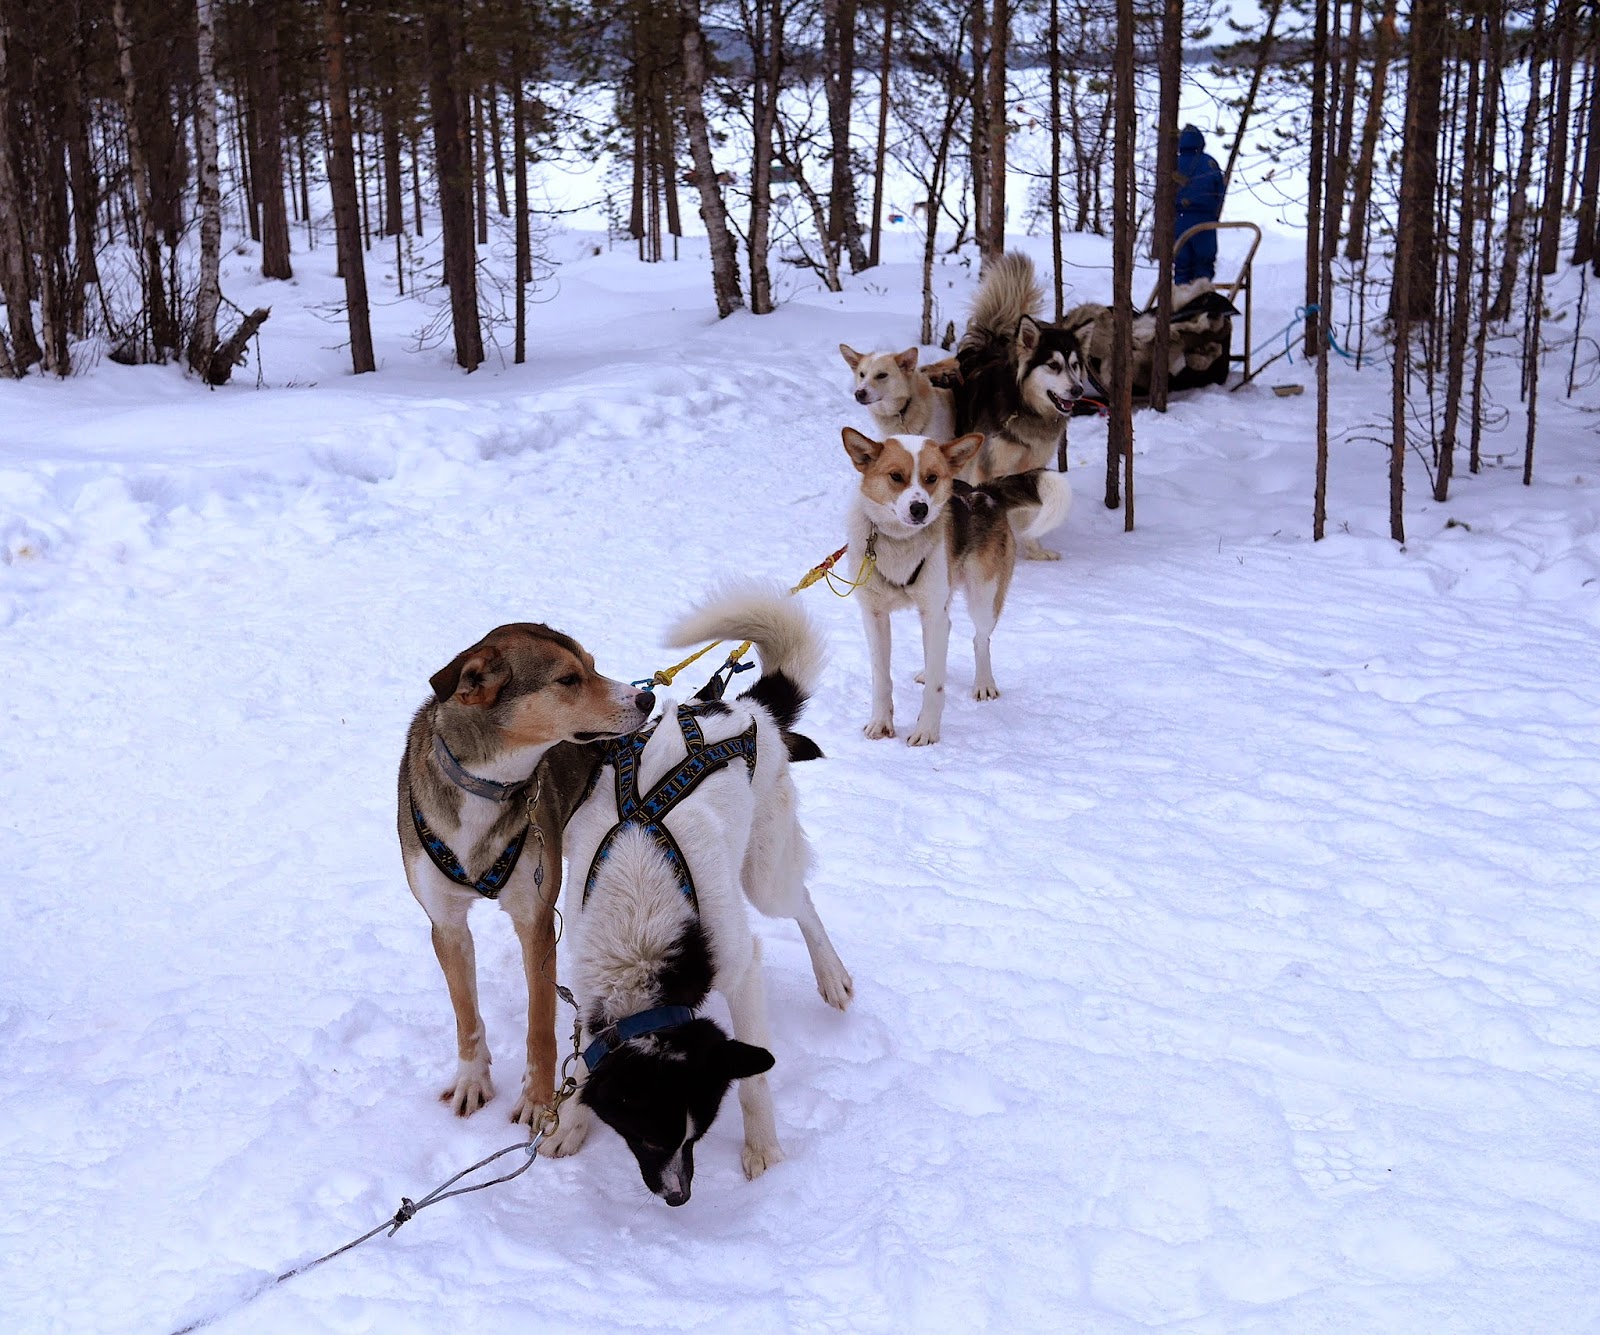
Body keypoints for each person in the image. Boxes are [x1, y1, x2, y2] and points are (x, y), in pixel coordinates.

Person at [1173, 125, 1225, 285]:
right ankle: (1202, 293)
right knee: (1204, 264)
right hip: (1204, 219)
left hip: (1179, 219)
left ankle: (1181, 294)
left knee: (1181, 264)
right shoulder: (1209, 163)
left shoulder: (1173, 163)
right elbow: (1219, 190)